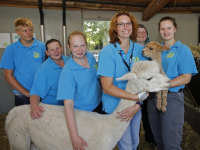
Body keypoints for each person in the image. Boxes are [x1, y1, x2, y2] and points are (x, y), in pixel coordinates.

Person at [97, 11, 148, 150]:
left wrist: (137, 104)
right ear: (115, 27)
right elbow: (107, 87)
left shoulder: (140, 50)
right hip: (117, 108)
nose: (125, 27)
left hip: (135, 106)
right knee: (126, 146)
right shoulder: (108, 52)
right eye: (121, 24)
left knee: (135, 143)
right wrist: (134, 98)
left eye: (128, 23)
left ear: (133, 26)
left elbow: (146, 83)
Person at [147, 16, 198, 150]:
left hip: (171, 97)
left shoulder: (182, 49)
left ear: (175, 29)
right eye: (162, 28)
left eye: (169, 28)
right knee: (158, 139)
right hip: (153, 97)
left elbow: (186, 77)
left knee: (171, 144)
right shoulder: (157, 49)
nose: (165, 31)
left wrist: (165, 84)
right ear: (159, 31)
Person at [57, 31, 102, 150]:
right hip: (83, 113)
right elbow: (68, 104)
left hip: (99, 105)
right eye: (75, 46)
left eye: (82, 45)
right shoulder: (67, 72)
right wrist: (74, 136)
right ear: (69, 47)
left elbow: (97, 79)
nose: (79, 49)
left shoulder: (91, 57)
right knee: (88, 144)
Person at [0, 18, 45, 106]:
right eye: (24, 30)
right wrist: (26, 93)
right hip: (22, 94)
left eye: (30, 30)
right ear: (17, 32)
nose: (29, 33)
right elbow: (7, 75)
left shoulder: (42, 46)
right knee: (23, 119)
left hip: (41, 92)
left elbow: (48, 68)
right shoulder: (11, 49)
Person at [30, 39, 69, 119]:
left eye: (57, 48)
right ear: (47, 53)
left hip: (70, 105)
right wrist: (34, 107)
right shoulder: (43, 69)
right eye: (52, 50)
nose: (56, 51)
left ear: (61, 48)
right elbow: (35, 92)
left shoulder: (68, 60)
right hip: (53, 109)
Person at [136, 24, 156, 146]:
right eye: (139, 32)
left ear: (147, 34)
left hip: (149, 87)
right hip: (136, 88)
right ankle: (135, 141)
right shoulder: (131, 49)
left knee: (148, 114)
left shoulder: (151, 49)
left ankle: (150, 139)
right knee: (136, 114)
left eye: (144, 32)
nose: (141, 34)